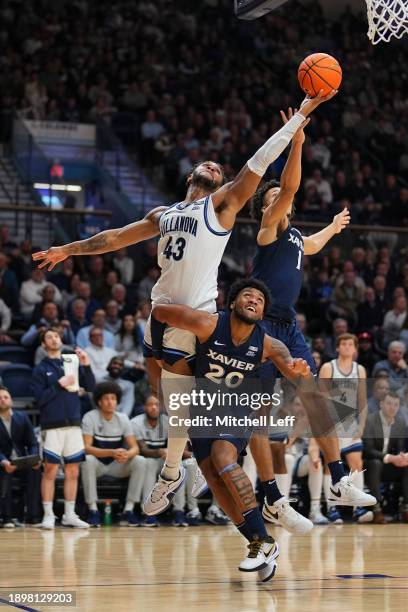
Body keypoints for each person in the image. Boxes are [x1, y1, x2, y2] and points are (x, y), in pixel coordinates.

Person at [33, 90, 336, 516]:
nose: (214, 164)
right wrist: (68, 249)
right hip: (158, 313)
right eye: (207, 164)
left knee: (184, 402)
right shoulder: (163, 213)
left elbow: (260, 161)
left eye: (220, 167)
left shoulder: (223, 205)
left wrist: (300, 117)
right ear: (191, 176)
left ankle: (197, 474)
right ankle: (187, 466)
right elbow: (114, 238)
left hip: (192, 318)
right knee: (164, 394)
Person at [250, 111, 374, 526]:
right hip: (260, 327)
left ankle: (339, 480)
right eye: (270, 200)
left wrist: (335, 227)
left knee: (317, 400)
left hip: (289, 326)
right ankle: (269, 495)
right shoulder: (267, 230)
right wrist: (298, 141)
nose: (278, 202)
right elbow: (287, 188)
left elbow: (316, 242)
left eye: (279, 201)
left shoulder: (297, 238)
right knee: (256, 414)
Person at [151, 279, 314, 580]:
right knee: (213, 478)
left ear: (263, 313)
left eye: (259, 300)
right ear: (233, 303)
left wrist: (299, 373)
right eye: (247, 295)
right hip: (201, 409)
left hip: (238, 407)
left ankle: (264, 540)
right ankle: (260, 542)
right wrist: (158, 354)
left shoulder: (269, 344)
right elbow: (159, 312)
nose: (253, 300)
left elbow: (293, 370)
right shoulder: (208, 324)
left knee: (223, 457)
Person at [31, 328, 95, 529]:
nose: (54, 339)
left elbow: (91, 387)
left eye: (56, 336)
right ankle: (48, 515)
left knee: (73, 471)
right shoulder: (40, 369)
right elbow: (39, 400)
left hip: (74, 424)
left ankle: (69, 514)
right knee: (49, 469)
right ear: (43, 344)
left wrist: (87, 365)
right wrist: (59, 385)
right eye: (49, 337)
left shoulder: (72, 362)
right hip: (52, 426)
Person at [319, 333, 372, 524]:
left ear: (356, 349)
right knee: (329, 466)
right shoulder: (328, 367)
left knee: (356, 464)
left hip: (351, 423)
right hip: (331, 423)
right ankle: (332, 508)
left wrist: (362, 426)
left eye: (351, 344)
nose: (348, 346)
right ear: (337, 347)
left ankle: (358, 508)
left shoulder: (360, 370)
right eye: (344, 343)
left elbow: (363, 401)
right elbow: (321, 398)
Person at [81, 382, 146, 527]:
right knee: (87, 460)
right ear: (99, 401)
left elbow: (135, 447)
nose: (110, 402)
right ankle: (93, 510)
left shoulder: (122, 418)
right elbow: (86, 447)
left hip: (116, 465)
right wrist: (111, 452)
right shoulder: (89, 417)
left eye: (113, 398)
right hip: (98, 465)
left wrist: (127, 455)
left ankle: (128, 509)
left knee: (140, 461)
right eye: (106, 398)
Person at [132, 395, 201, 527]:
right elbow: (142, 450)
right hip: (150, 459)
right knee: (148, 464)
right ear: (144, 407)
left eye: (157, 404)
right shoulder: (136, 422)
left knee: (179, 466)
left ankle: (179, 511)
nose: (154, 407)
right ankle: (147, 511)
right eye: (150, 404)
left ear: (162, 407)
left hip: (168, 459)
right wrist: (160, 452)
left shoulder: (170, 421)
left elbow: (181, 449)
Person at [363, 391, 408, 524]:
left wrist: (402, 457)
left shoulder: (400, 422)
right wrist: (390, 458)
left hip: (389, 465)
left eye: (396, 405)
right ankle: (376, 509)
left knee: (406, 465)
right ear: (381, 404)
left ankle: (406, 508)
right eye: (389, 403)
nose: (392, 407)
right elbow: (368, 450)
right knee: (376, 463)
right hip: (369, 466)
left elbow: (399, 449)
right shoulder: (370, 420)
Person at [0, 386, 42, 526]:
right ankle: (6, 517)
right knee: (4, 474)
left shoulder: (22, 417)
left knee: (35, 471)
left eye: (6, 397)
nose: (3, 400)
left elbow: (32, 442)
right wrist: (3, 461)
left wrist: (33, 458)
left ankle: (33, 516)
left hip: (21, 460)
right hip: (4, 461)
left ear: (11, 400)